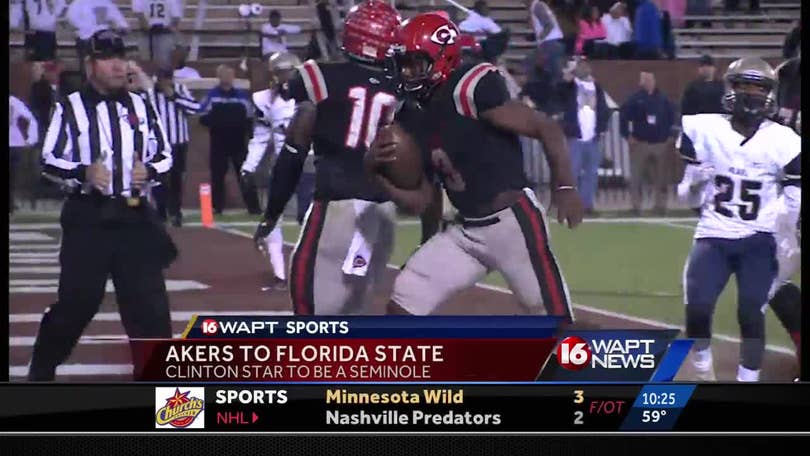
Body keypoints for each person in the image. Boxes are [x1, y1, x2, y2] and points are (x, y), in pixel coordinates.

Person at [374, 13, 583, 318]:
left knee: (555, 321)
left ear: (441, 58)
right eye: (402, 64)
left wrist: (564, 187)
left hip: (512, 224)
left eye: (414, 63)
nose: (406, 73)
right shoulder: (412, 115)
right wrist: (376, 174)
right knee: (406, 297)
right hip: (467, 231)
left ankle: (594, 365)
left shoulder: (468, 88)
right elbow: (423, 197)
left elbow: (546, 128)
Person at [27, 29, 176, 381]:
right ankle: (40, 372)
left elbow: (166, 154)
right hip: (88, 218)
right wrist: (84, 172)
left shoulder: (142, 104)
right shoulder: (70, 107)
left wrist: (150, 169)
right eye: (108, 59)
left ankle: (166, 403)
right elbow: (48, 159)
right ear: (90, 65)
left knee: (151, 310)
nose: (118, 66)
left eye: (122, 58)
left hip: (135, 217)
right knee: (77, 305)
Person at [251, 0, 404, 316]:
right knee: (355, 312)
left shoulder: (319, 76)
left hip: (338, 209)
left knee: (310, 314)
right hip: (382, 215)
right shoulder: (404, 88)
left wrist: (272, 213)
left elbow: (294, 150)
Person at [677, 57, 799, 382]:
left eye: (759, 87)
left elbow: (795, 198)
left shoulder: (784, 140)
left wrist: (786, 236)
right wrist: (695, 186)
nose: (751, 93)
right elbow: (685, 198)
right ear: (730, 88)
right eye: (744, 85)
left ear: (770, 93)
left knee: (750, 312)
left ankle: (748, 383)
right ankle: (703, 366)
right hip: (713, 234)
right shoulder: (704, 129)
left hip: (759, 239)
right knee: (698, 309)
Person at [239, 52, 311, 291]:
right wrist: (248, 166)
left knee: (309, 219)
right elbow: (260, 138)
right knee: (272, 218)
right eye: (280, 73)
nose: (285, 77)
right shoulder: (265, 100)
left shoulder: (313, 96)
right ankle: (280, 275)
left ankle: (311, 273)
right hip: (283, 165)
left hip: (310, 164)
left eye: (288, 71)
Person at [199, 64, 261, 215]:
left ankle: (254, 208)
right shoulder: (211, 95)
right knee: (217, 174)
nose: (227, 78)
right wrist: (218, 122)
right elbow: (201, 116)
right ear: (219, 77)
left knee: (245, 173)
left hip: (239, 141)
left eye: (230, 75)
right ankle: (215, 208)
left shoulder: (242, 96)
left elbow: (250, 117)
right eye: (224, 75)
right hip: (218, 141)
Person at [555, 58, 610, 215]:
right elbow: (558, 95)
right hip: (576, 137)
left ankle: (587, 204)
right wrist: (566, 79)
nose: (583, 68)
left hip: (593, 138)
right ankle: (570, 204)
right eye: (581, 65)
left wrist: (602, 128)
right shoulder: (571, 86)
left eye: (585, 65)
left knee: (591, 173)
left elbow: (604, 109)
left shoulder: (596, 87)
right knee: (572, 173)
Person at [148, 68, 201, 226]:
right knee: (159, 178)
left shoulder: (180, 90)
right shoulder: (148, 93)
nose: (166, 82)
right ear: (156, 79)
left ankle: (175, 212)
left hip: (179, 142)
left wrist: (174, 97)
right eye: (163, 79)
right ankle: (161, 212)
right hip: (158, 144)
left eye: (168, 79)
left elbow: (195, 108)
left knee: (176, 179)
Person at [620, 71, 676, 215]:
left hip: (660, 144)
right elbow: (623, 116)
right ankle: (636, 206)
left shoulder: (663, 99)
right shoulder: (635, 99)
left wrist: (671, 135)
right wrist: (627, 135)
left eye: (649, 79)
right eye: (644, 79)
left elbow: (673, 117)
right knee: (636, 177)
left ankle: (660, 205)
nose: (647, 81)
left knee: (661, 177)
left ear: (654, 80)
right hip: (640, 143)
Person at [66, 0, 129, 80]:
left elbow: (120, 22)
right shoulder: (78, 3)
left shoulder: (107, 3)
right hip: (87, 38)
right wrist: (95, 32)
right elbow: (73, 21)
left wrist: (119, 27)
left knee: (116, 44)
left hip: (107, 38)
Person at [9, 94, 40, 213]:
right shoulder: (13, 101)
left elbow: (31, 119)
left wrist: (31, 139)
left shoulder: (13, 101)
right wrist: (31, 139)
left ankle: (11, 203)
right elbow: (31, 119)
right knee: (13, 176)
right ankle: (11, 203)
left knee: (14, 176)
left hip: (15, 144)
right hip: (16, 144)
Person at [132, 0, 183, 70]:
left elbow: (176, 17)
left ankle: (163, 77)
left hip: (164, 32)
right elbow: (138, 12)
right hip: (146, 32)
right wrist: (144, 22)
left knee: (164, 62)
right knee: (145, 61)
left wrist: (171, 26)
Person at [526, 0, 566, 85]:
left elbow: (549, 25)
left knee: (554, 75)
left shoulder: (537, 6)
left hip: (550, 43)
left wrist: (540, 38)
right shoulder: (538, 6)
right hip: (552, 42)